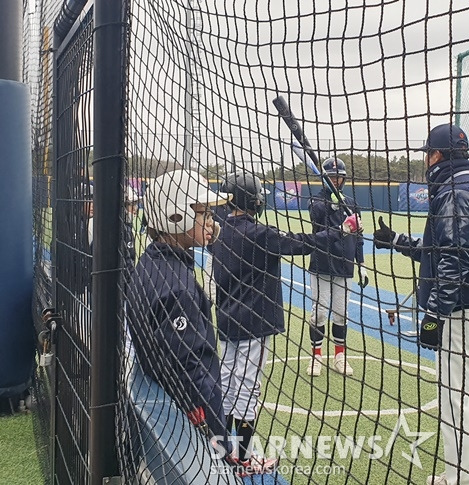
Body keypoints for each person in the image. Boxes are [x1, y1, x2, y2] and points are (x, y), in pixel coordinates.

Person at [373, 124, 469, 485]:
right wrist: (397, 240)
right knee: (468, 396)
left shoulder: (454, 192)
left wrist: (434, 315)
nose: (425, 159)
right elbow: (441, 252)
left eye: (427, 153)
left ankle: (460, 478)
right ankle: (465, 474)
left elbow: (453, 261)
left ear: (438, 155)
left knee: (455, 399)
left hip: (458, 314)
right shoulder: (466, 186)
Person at [211, 170, 362, 475]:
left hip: (226, 320)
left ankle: (219, 449)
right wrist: (343, 230)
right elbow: (304, 242)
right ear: (252, 201)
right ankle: (241, 458)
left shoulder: (218, 229)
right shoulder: (258, 233)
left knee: (226, 382)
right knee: (246, 389)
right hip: (254, 323)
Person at [126, 169, 233, 458]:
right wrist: (222, 443)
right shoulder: (176, 286)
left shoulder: (153, 262)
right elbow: (196, 371)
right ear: (176, 216)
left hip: (165, 406)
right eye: (203, 213)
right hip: (184, 421)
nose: (211, 221)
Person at [306, 157, 368, 377]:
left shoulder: (351, 203)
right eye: (332, 177)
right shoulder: (316, 201)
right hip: (321, 264)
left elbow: (358, 236)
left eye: (339, 177)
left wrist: (362, 264)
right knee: (319, 313)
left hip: (344, 267)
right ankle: (316, 357)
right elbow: (317, 221)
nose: (336, 180)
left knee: (341, 313)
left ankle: (340, 356)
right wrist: (332, 206)